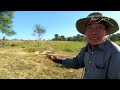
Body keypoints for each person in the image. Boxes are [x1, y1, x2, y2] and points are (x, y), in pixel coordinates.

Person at [47, 12, 120, 79]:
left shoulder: (115, 53)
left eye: (99, 27)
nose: (94, 32)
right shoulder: (88, 47)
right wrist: (59, 60)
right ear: (85, 32)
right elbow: (77, 62)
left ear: (106, 32)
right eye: (90, 27)